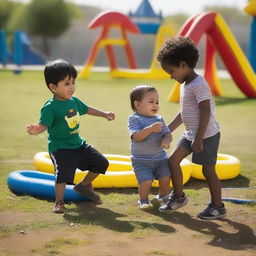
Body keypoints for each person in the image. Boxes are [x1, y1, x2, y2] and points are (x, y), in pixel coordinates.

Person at [27, 59, 115, 214]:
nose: (72, 87)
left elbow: (86, 109)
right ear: (53, 87)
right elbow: (43, 125)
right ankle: (59, 202)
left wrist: (104, 114)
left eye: (73, 82)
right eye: (67, 84)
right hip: (61, 149)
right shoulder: (50, 107)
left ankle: (83, 185)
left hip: (78, 145)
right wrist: (37, 129)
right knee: (62, 177)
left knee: (102, 163)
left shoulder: (73, 101)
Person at [156, 37, 226, 220]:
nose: (171, 76)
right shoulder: (186, 84)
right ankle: (179, 197)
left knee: (207, 171)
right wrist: (168, 129)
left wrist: (199, 138)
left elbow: (205, 111)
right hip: (191, 134)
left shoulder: (199, 84)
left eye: (171, 71)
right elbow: (184, 113)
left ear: (183, 64)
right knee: (172, 161)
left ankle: (218, 206)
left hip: (206, 135)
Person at [128, 85, 172, 209]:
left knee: (165, 178)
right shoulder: (134, 119)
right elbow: (136, 136)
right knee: (145, 181)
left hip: (160, 158)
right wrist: (151, 129)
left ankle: (163, 197)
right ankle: (143, 200)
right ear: (138, 104)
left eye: (157, 102)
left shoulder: (159, 119)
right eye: (151, 102)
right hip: (141, 160)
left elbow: (167, 133)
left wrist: (166, 140)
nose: (155, 105)